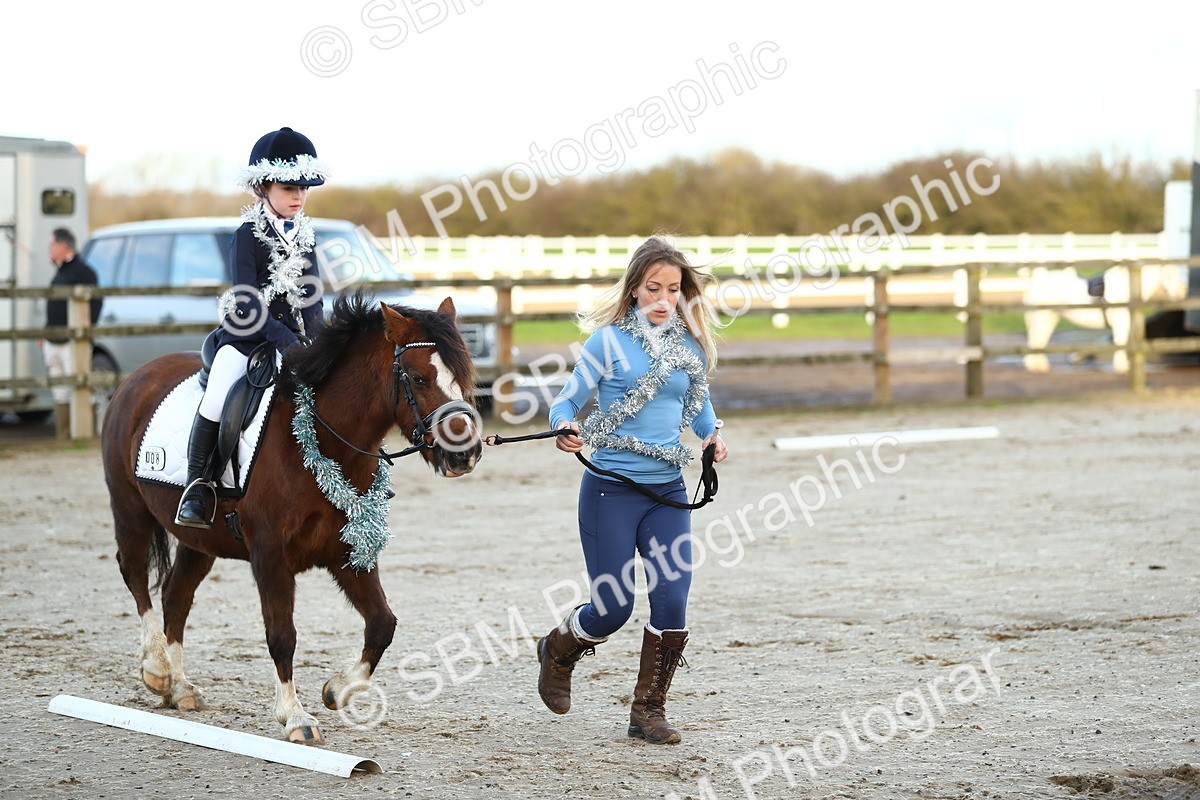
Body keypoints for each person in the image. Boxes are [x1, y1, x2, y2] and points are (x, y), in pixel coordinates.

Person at [537, 236, 730, 744]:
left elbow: (701, 406)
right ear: (634, 289)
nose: (664, 299)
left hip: (667, 493)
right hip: (610, 492)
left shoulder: (689, 346)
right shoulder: (607, 342)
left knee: (672, 602)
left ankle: (649, 712)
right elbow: (568, 400)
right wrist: (563, 426)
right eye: (653, 288)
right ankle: (559, 649)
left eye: (673, 289)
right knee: (614, 608)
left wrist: (713, 437)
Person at [175, 127, 328, 528]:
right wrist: (287, 341)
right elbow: (246, 299)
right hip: (246, 338)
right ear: (262, 186)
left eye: (304, 188)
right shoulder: (246, 237)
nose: (299, 195)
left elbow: (312, 296)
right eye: (288, 187)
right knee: (218, 394)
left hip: (296, 341)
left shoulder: (306, 236)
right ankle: (198, 486)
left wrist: (323, 341)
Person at [44, 228, 102, 439]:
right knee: (59, 389)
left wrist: (84, 333)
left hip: (73, 341)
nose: (49, 250)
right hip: (54, 339)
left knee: (81, 388)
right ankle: (64, 436)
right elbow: (55, 306)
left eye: (52, 245)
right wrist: (46, 331)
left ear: (63, 246)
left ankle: (85, 436)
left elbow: (95, 303)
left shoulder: (84, 272)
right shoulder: (61, 271)